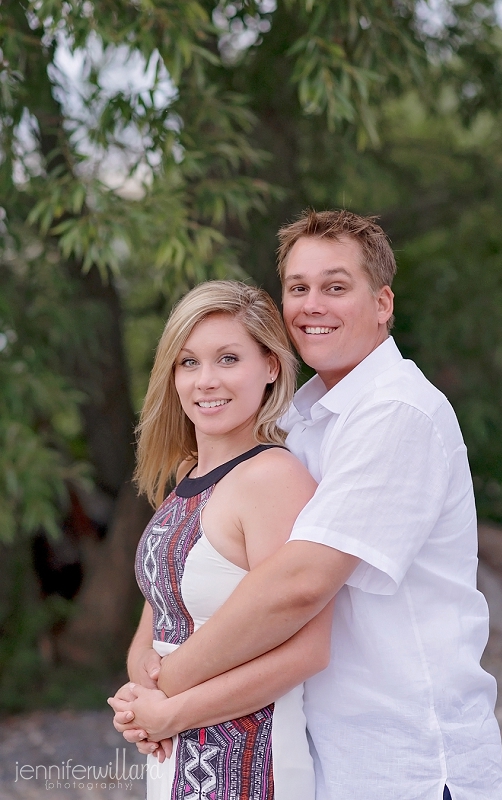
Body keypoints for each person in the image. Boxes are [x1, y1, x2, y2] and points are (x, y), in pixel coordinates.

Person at [113, 209, 502, 800]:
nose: (312, 304)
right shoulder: (303, 420)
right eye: (298, 288)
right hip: (325, 752)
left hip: (409, 761)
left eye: (336, 287)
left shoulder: (396, 412)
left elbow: (299, 584)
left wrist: (165, 690)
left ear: (383, 304)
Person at [108, 280, 333, 800]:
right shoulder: (186, 475)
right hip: (172, 749)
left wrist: (166, 709)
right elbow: (158, 619)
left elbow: (308, 652)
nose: (206, 381)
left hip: (247, 762)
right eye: (188, 362)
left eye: (228, 359)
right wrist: (137, 699)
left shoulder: (273, 479)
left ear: (271, 366)